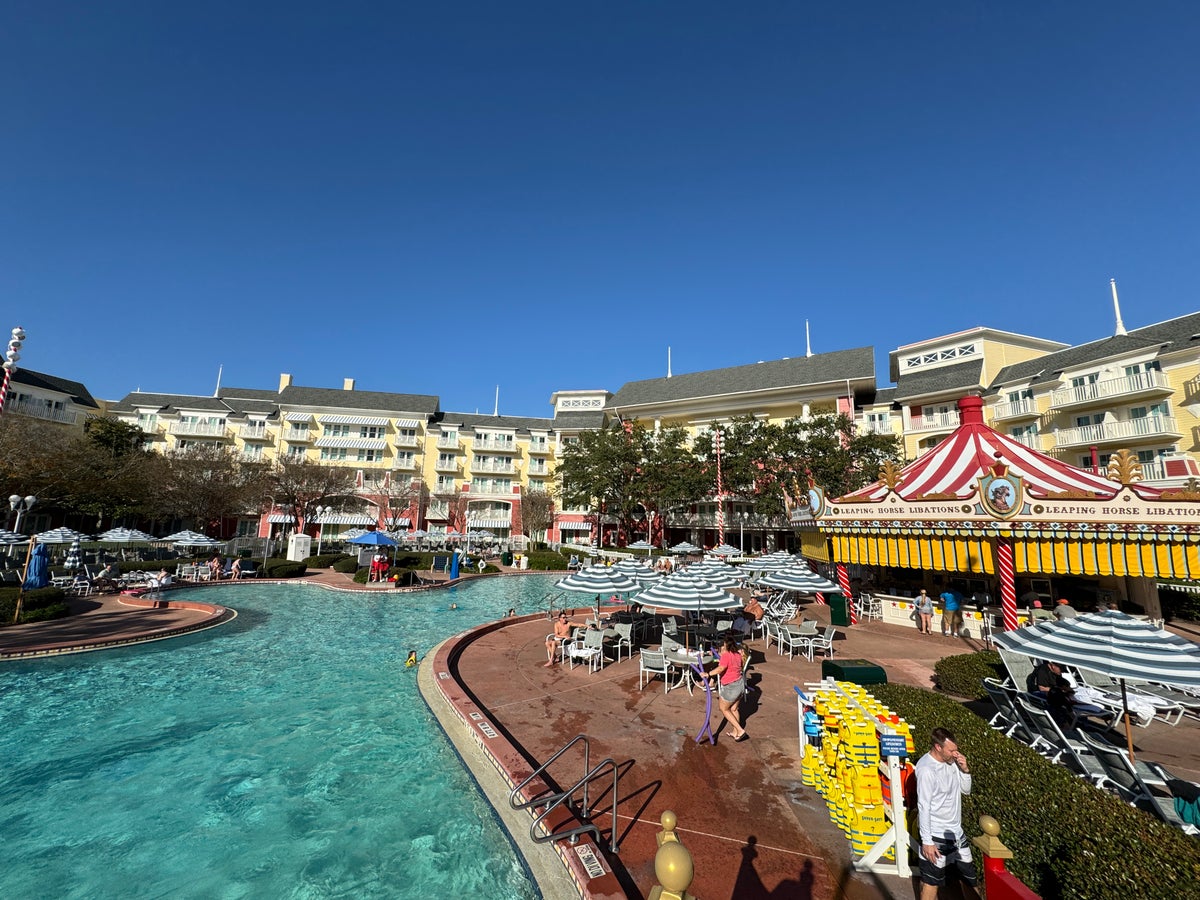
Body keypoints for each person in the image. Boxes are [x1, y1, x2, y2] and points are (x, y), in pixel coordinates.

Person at [915, 727, 977, 900]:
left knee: (970, 879)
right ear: (938, 747)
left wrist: (965, 770)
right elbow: (923, 806)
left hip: (956, 832)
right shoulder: (927, 770)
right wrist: (927, 841)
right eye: (951, 750)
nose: (955, 753)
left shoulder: (952, 762)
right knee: (931, 882)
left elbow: (966, 790)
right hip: (935, 835)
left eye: (956, 749)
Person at [702, 634, 748, 742]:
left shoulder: (726, 655)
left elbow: (721, 668)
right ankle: (735, 732)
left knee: (724, 709)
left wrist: (708, 674)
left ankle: (740, 730)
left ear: (725, 645)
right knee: (734, 709)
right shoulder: (737, 654)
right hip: (740, 684)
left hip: (731, 686)